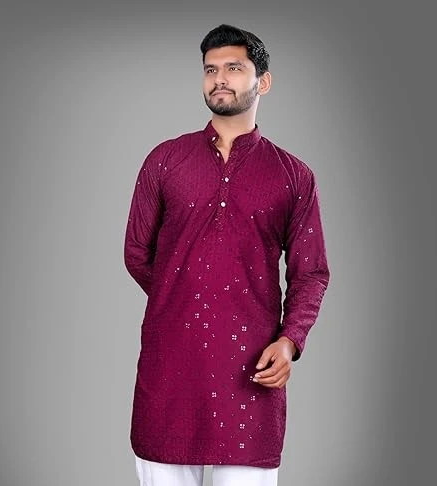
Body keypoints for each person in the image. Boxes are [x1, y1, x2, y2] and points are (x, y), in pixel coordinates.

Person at [123, 23, 330, 486]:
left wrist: (290, 339)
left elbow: (311, 272)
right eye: (210, 69)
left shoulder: (293, 175)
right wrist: (184, 298)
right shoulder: (165, 160)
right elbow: (137, 251)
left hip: (252, 372)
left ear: (263, 81)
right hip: (170, 371)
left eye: (234, 68)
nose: (219, 79)